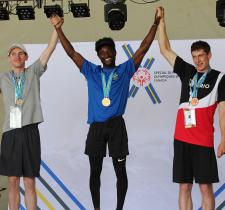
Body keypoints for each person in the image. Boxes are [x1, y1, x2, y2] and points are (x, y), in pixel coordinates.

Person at [50, 8, 161, 210]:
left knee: (121, 171)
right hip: (96, 128)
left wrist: (155, 23)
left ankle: (119, 208)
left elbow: (143, 48)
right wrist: (58, 29)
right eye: (102, 53)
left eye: (109, 51)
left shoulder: (125, 69)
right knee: (95, 172)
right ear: (99, 56)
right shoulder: (91, 71)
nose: (106, 55)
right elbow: (71, 52)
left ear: (115, 52)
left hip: (117, 126)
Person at [158, 7, 225, 210]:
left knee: (205, 188)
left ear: (209, 55)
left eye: (201, 55)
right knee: (184, 187)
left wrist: (224, 139)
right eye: (194, 56)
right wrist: (161, 21)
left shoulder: (220, 78)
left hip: (203, 141)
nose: (198, 60)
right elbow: (164, 49)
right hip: (181, 139)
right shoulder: (187, 71)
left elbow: (223, 110)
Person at [0, 29, 58, 210]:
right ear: (8, 58)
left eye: (20, 54)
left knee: (30, 182)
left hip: (30, 131)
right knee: (12, 181)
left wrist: (56, 29)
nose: (17, 57)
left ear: (26, 57)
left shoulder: (33, 72)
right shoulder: (2, 78)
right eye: (13, 54)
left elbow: (50, 48)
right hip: (10, 133)